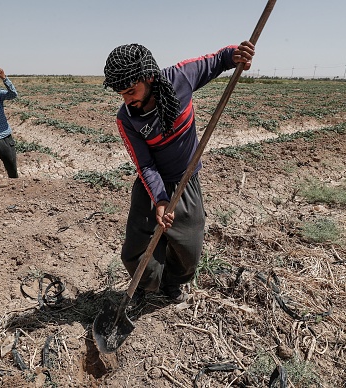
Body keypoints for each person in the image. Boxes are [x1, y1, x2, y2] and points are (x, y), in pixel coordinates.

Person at [103, 41, 254, 305]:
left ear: (148, 76)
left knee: (189, 249)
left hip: (186, 182)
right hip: (152, 185)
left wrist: (236, 54)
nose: (127, 100)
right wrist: (160, 199)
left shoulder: (180, 78)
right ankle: (143, 285)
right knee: (137, 247)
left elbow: (218, 60)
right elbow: (145, 164)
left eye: (130, 91)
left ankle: (172, 283)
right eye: (121, 94)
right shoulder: (126, 118)